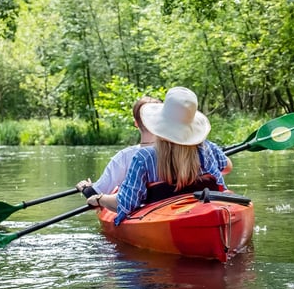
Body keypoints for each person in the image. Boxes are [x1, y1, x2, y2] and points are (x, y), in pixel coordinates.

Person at [87, 87, 232, 224]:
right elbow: (227, 167)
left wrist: (100, 199)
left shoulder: (144, 157)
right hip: (211, 208)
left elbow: (126, 204)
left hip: (168, 216)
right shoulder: (208, 148)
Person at [76, 96, 160, 198]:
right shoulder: (176, 152)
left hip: (138, 207)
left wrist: (85, 188)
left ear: (136, 123)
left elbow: (95, 193)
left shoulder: (124, 156)